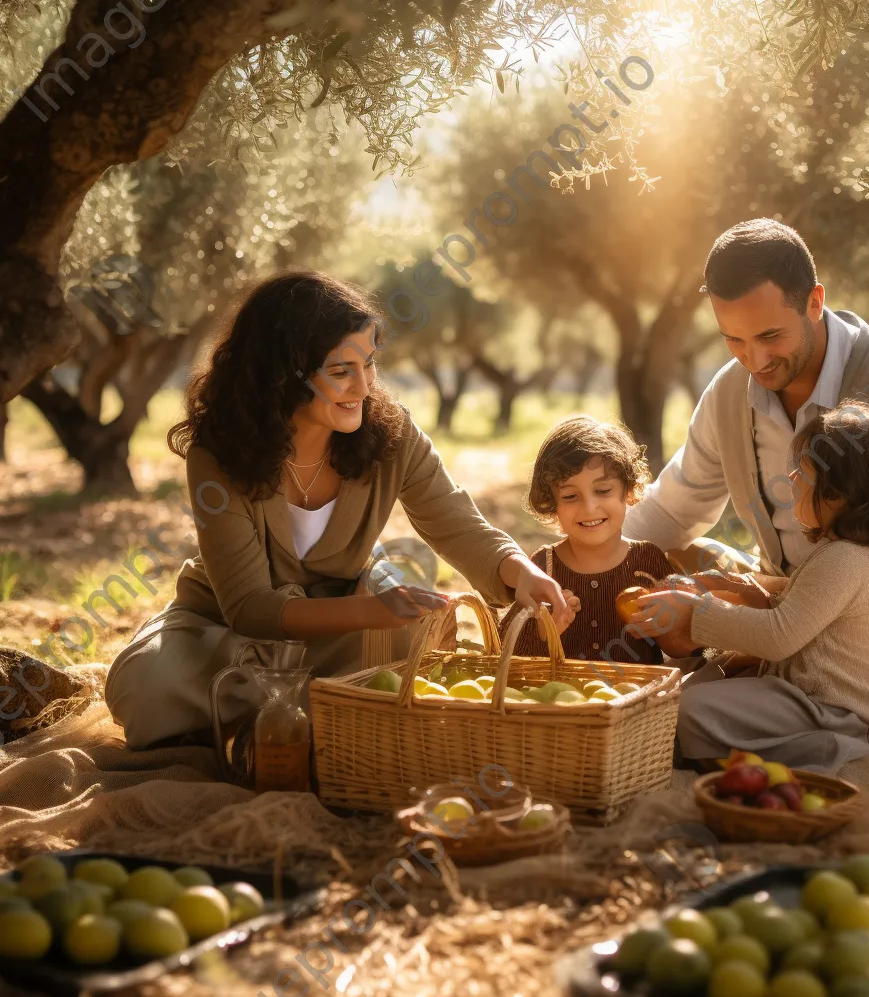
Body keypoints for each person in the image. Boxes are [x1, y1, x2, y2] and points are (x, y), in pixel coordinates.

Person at [105, 272, 572, 750]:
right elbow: (248, 608)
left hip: (343, 626)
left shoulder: (393, 437)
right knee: (144, 687)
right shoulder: (219, 455)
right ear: (284, 374)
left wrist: (521, 572)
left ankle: (268, 714)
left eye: (369, 365)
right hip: (223, 631)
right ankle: (295, 708)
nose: (365, 386)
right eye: (341, 371)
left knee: (414, 645)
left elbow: (455, 519)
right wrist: (372, 610)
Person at [623, 219, 869, 695]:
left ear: (815, 301)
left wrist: (761, 598)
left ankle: (735, 669)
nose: (755, 360)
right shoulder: (729, 392)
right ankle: (734, 657)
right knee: (661, 556)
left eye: (770, 335)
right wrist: (580, 563)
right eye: (734, 339)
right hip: (792, 591)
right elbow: (669, 511)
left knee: (788, 650)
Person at [631, 401, 869, 771]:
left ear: (838, 495)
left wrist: (696, 613)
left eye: (802, 474)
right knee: (698, 686)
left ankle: (821, 749)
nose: (790, 482)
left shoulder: (847, 560)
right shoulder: (850, 555)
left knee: (688, 707)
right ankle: (728, 747)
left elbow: (778, 636)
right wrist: (739, 587)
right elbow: (798, 601)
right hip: (802, 698)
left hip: (828, 712)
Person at [499, 416, 675, 665]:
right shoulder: (543, 568)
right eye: (570, 496)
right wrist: (544, 630)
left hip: (640, 701)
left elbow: (687, 648)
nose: (589, 507)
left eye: (603, 491)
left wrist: (668, 626)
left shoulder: (648, 561)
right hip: (559, 700)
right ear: (552, 504)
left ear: (629, 491)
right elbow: (504, 651)